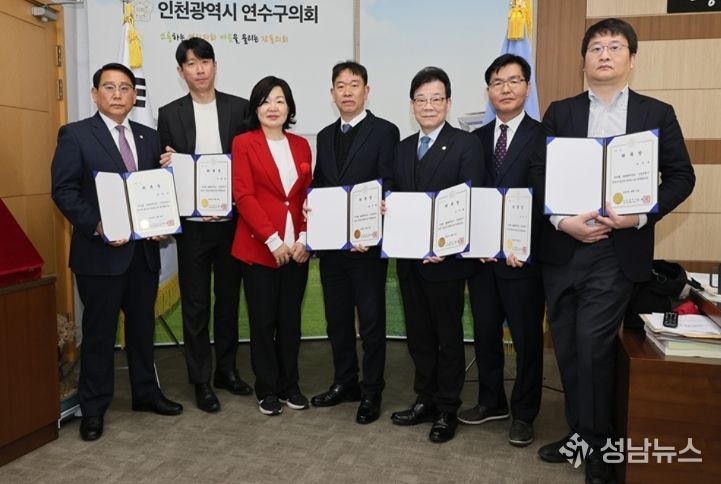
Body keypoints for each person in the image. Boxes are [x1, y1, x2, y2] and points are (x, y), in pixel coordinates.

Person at [528, 18, 695, 483]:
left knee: (593, 345)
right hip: (564, 248)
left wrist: (637, 217)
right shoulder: (560, 113)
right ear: (583, 60)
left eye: (615, 47)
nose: (604, 54)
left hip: (616, 251)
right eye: (596, 47)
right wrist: (562, 221)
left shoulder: (656, 113)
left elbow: (682, 176)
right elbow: (538, 173)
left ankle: (599, 446)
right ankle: (581, 434)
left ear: (631, 59)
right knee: (567, 348)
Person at [51, 63, 183, 442]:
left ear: (133, 95)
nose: (117, 94)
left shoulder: (150, 137)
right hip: (99, 255)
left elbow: (156, 192)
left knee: (142, 330)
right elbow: (63, 191)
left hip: (142, 255)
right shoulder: (76, 135)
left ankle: (146, 394)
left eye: (125, 88)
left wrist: (163, 215)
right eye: (109, 87)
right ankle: (93, 408)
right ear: (95, 94)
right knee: (99, 334)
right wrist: (98, 225)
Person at [389, 67, 484, 443]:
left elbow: (469, 200)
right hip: (409, 262)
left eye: (436, 98)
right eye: (421, 99)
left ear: (448, 103)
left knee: (447, 338)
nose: (428, 106)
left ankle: (447, 408)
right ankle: (425, 398)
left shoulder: (465, 144)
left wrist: (445, 247)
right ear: (412, 104)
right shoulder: (401, 148)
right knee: (419, 336)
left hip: (447, 263)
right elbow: (393, 192)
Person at [157, 37, 251, 413]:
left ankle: (226, 371)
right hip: (193, 227)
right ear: (180, 71)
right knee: (196, 305)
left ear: (215, 65)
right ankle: (200, 380)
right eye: (191, 64)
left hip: (231, 222)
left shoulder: (239, 108)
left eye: (205, 62)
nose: (199, 69)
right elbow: (165, 168)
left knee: (227, 301)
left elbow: (248, 160)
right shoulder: (169, 113)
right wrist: (166, 162)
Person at [458, 54, 544, 447]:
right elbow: (468, 196)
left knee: (527, 339)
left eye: (513, 81)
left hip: (521, 260)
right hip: (481, 260)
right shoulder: (474, 140)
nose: (505, 89)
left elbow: (546, 199)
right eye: (497, 82)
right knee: (485, 333)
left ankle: (524, 412)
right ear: (488, 91)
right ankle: (491, 400)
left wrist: (522, 245)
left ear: (527, 87)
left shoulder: (543, 136)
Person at [309, 61, 400, 424]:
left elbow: (389, 183)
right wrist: (311, 203)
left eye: (354, 85)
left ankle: (372, 389)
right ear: (332, 93)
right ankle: (345, 381)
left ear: (367, 91)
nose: (347, 92)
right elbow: (321, 182)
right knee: (337, 320)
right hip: (332, 248)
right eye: (340, 86)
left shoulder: (385, 131)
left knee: (372, 322)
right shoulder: (324, 135)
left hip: (367, 247)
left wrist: (372, 226)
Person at [231, 76, 312, 416]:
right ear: (256, 108)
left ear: (289, 107)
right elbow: (244, 196)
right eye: (265, 101)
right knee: (263, 323)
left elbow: (307, 196)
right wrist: (274, 240)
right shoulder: (244, 143)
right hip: (259, 248)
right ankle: (267, 388)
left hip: (297, 251)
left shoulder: (301, 145)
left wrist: (305, 239)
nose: (273, 107)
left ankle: (290, 385)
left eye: (279, 100)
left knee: (290, 322)